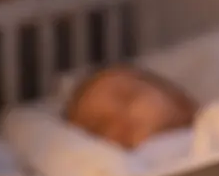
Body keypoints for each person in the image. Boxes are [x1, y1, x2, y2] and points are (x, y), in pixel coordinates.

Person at [64, 64, 197, 149]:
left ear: (177, 98)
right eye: (100, 127)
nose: (121, 122)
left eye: (126, 98)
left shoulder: (212, 123)